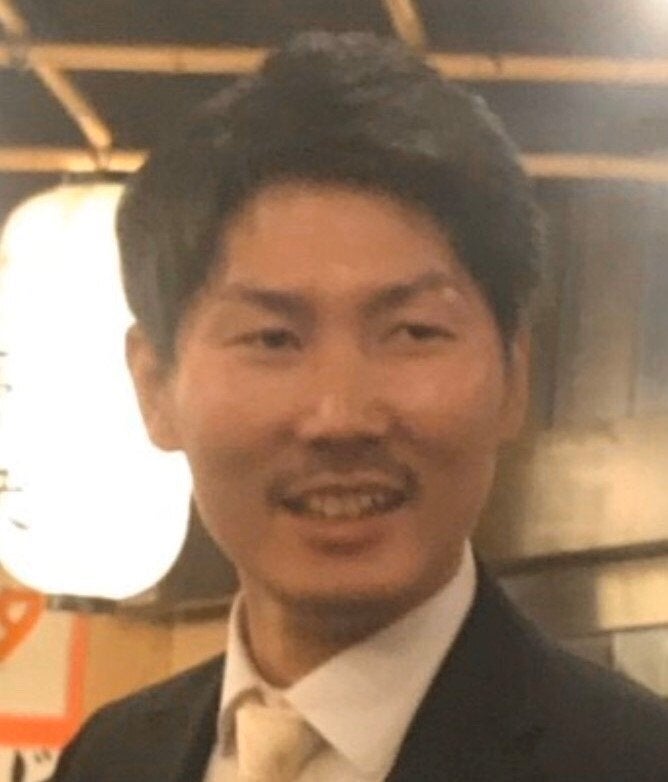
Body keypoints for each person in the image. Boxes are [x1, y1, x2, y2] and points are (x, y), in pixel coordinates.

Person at [50, 31, 668, 782]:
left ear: (514, 375)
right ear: (154, 386)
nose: (340, 416)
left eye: (413, 332)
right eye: (273, 338)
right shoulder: (110, 759)